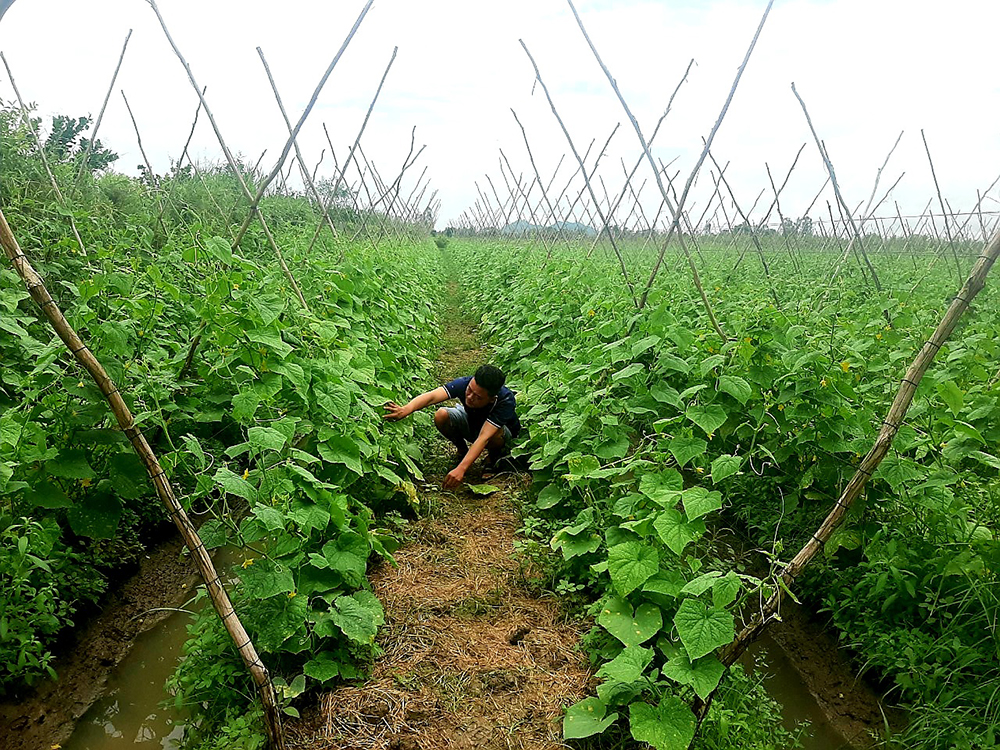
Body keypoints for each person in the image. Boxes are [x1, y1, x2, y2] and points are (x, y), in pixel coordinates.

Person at [383, 364, 521, 489]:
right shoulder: (465, 383)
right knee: (441, 415)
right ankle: (462, 450)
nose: (470, 397)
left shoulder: (505, 401)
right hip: (473, 423)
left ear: (492, 398)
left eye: (478, 397)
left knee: (496, 434)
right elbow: (432, 396)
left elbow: (484, 437)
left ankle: (492, 459)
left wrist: (461, 469)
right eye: (469, 390)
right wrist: (405, 409)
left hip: (498, 435)